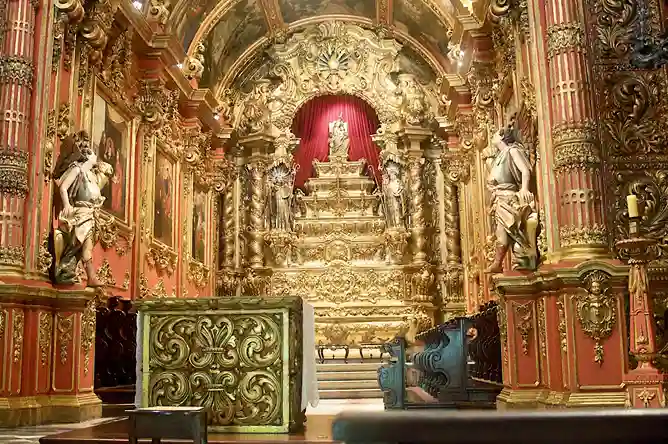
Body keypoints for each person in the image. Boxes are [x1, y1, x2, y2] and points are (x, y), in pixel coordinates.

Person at [52, 131, 113, 286]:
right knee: (80, 247)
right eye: (91, 154)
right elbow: (63, 188)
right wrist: (67, 205)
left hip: (91, 215)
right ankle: (77, 273)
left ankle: (84, 274)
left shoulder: (92, 176)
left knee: (85, 248)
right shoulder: (77, 170)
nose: (94, 156)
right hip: (80, 214)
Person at [484, 123, 538, 272]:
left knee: (512, 230)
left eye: (495, 135)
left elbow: (525, 170)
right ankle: (498, 263)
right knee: (501, 232)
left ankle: (516, 259)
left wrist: (524, 188)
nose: (493, 137)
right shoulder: (499, 156)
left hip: (508, 198)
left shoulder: (512, 151)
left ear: (502, 136)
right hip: (499, 199)